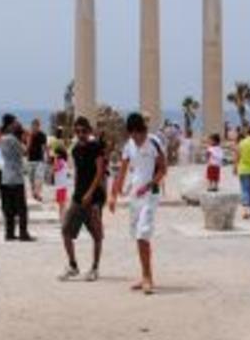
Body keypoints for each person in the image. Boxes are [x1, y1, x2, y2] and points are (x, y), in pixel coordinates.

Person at [109, 112, 167, 295]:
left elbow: (163, 169)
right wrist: (113, 195)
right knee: (137, 235)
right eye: (133, 133)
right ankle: (144, 276)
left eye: (139, 133)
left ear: (144, 130)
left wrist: (149, 185)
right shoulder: (129, 146)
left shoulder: (154, 142)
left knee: (143, 234)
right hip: (135, 194)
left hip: (150, 194)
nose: (136, 137)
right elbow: (122, 171)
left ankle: (148, 278)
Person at [59, 117, 106, 282]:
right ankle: (73, 265)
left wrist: (90, 193)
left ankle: (95, 267)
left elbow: (100, 172)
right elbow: (79, 172)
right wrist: (78, 191)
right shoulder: (75, 150)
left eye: (83, 131)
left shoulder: (96, 147)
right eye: (77, 131)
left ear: (89, 131)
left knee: (97, 234)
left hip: (95, 198)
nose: (81, 134)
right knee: (65, 230)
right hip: (78, 196)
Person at [0, 122, 35, 242]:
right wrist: (28, 139)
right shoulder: (15, 141)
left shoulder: (3, 139)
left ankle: (9, 233)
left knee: (9, 208)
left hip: (5, 177)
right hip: (16, 178)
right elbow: (25, 152)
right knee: (22, 209)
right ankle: (23, 233)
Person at [26, 118, 48, 202]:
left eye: (37, 126)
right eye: (34, 126)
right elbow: (27, 148)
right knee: (31, 179)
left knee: (39, 177)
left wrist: (48, 156)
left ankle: (38, 193)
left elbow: (45, 147)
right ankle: (34, 192)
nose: (35, 127)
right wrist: (30, 137)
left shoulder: (43, 135)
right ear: (32, 126)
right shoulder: (29, 135)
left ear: (39, 126)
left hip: (39, 159)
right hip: (30, 160)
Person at [53, 147, 71, 220]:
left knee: (62, 204)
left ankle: (63, 218)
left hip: (61, 185)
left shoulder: (60, 161)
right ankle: (62, 218)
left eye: (55, 153)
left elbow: (55, 169)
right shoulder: (64, 161)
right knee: (62, 203)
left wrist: (55, 160)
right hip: (62, 185)